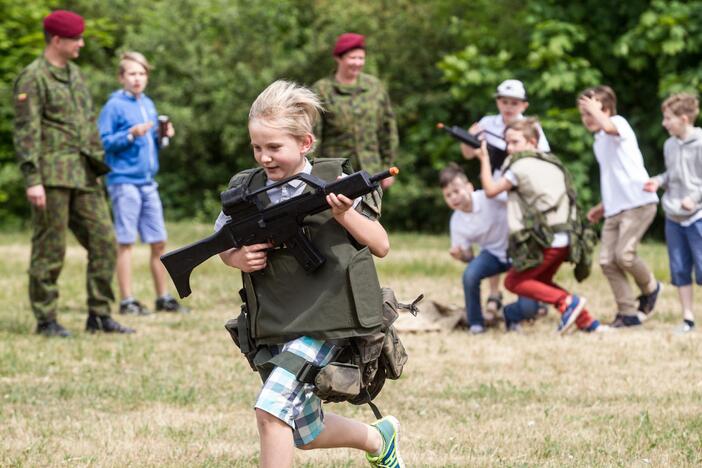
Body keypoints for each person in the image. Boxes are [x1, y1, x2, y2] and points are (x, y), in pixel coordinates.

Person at [214, 80, 403, 468]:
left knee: (271, 413)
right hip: (277, 321)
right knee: (306, 432)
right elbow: (222, 244)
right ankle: (378, 438)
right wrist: (236, 259)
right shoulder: (245, 193)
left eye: (274, 147)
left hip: (327, 319)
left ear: (305, 143)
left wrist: (344, 214)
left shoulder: (335, 183)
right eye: (257, 147)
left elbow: (380, 245)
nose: (264, 158)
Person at [12, 10, 134, 337]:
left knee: (105, 242)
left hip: (84, 174)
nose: (81, 43)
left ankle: (99, 314)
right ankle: (46, 318)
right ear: (56, 40)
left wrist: (96, 166)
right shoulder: (32, 77)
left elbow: (88, 125)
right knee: (51, 249)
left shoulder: (76, 75)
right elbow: (26, 131)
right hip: (51, 176)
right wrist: (32, 178)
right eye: (76, 39)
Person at [475, 118, 604, 334]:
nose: (510, 148)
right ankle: (586, 321)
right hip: (568, 237)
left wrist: (484, 159)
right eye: (508, 142)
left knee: (514, 282)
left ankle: (568, 302)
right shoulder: (551, 161)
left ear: (532, 142)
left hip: (549, 239)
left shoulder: (519, 166)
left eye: (515, 142)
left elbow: (490, 190)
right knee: (538, 281)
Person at [98, 51, 188, 315]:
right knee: (125, 242)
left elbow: (150, 147)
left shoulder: (147, 103)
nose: (137, 79)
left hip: (148, 182)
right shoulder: (114, 106)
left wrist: (163, 137)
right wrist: (129, 134)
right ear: (121, 77)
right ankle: (127, 301)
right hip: (123, 181)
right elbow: (102, 142)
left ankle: (163, 297)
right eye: (131, 74)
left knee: (159, 241)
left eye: (141, 73)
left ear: (147, 77)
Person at [461, 79, 550, 316]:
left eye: (514, 102)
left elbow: (543, 158)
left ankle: (534, 297)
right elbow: (467, 152)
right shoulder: (488, 122)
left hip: (518, 198)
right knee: (491, 243)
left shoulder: (531, 126)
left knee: (524, 249)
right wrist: (469, 136)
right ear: (498, 102)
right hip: (493, 196)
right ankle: (494, 294)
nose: (509, 107)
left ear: (524, 105)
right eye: (504, 101)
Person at [578, 85, 662, 328]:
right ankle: (628, 314)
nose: (587, 118)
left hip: (638, 203)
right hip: (615, 208)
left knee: (624, 255)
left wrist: (596, 110)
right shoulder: (599, 141)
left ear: (606, 109)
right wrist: (602, 206)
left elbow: (609, 126)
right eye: (583, 114)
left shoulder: (618, 124)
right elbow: (615, 177)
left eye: (592, 112)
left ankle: (651, 288)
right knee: (606, 261)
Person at [440, 162, 542, 333]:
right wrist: (460, 255)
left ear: (469, 187)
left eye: (457, 191)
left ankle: (512, 313)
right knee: (470, 275)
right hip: (492, 254)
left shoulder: (489, 197)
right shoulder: (456, 221)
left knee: (529, 309)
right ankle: (476, 323)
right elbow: (469, 257)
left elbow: (517, 203)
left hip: (518, 251)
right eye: (448, 195)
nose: (454, 197)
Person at [644, 93, 702, 333]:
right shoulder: (670, 145)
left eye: (668, 118)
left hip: (697, 216)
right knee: (679, 268)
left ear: (685, 119)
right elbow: (673, 176)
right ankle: (688, 318)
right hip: (673, 215)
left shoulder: (700, 143)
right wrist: (657, 181)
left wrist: (695, 198)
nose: (664, 123)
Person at [312, 32, 399, 189]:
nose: (357, 63)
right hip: (335, 173)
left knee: (369, 213)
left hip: (371, 170)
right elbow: (312, 135)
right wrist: (311, 171)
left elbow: (388, 129)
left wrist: (388, 165)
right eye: (352, 58)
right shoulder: (322, 90)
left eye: (361, 58)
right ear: (339, 58)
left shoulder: (374, 87)